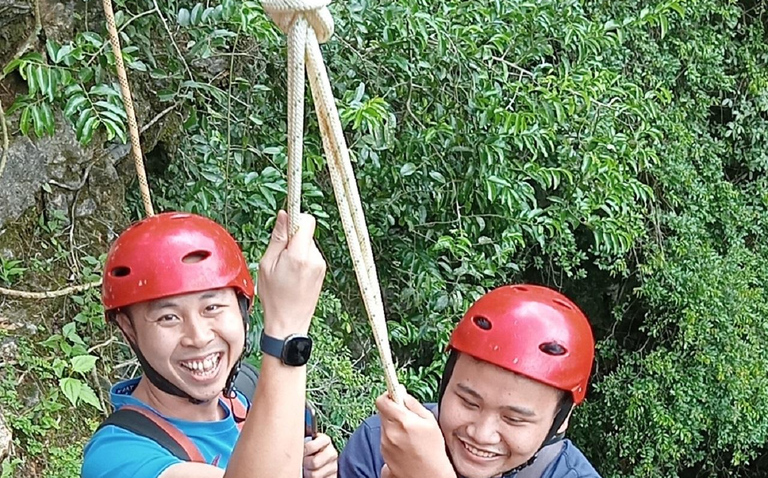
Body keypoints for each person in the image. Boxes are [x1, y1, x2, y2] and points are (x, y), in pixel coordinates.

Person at [82, 210, 338, 478]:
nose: (198, 337)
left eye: (212, 307)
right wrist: (288, 335)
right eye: (168, 317)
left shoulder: (248, 392)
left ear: (242, 311)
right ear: (128, 330)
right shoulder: (115, 458)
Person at [339, 284, 601, 478]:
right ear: (446, 384)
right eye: (468, 402)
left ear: (561, 419)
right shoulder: (385, 443)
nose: (481, 434)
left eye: (513, 419)